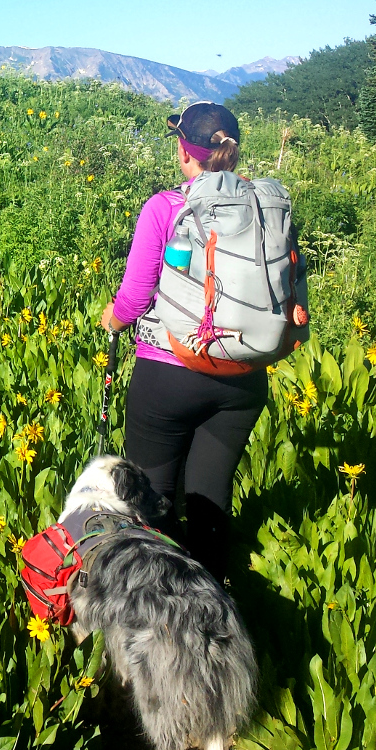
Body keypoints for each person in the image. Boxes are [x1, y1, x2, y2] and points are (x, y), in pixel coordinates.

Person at [99, 101, 308, 583]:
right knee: (211, 498)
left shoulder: (166, 206)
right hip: (244, 381)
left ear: (183, 150)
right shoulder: (265, 207)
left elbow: (132, 300)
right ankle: (217, 603)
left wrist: (111, 320)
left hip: (169, 376)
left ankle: (157, 608)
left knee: (151, 502)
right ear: (233, 154)